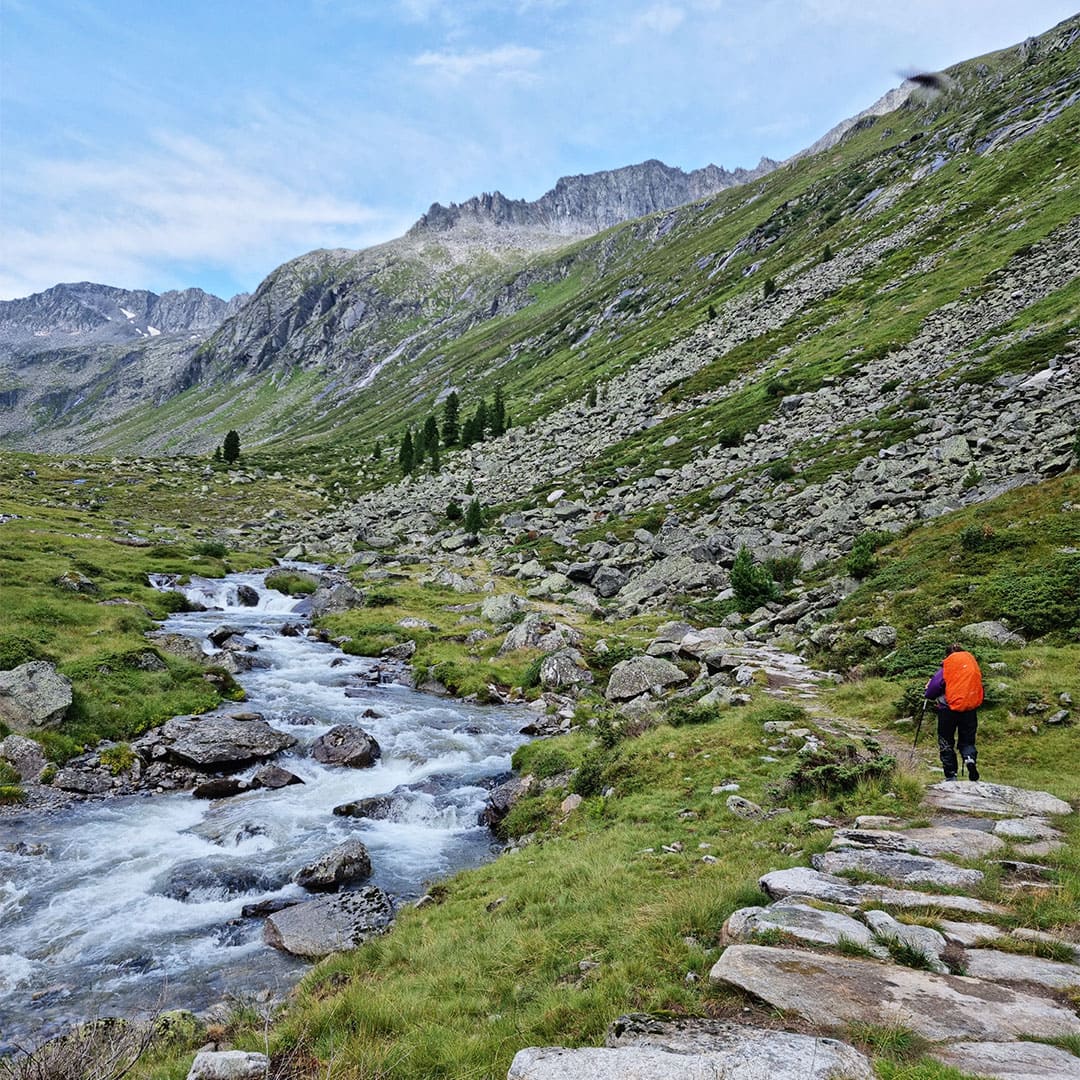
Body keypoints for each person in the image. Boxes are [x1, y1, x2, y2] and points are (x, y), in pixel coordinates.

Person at [925, 644, 984, 781]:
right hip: (969, 710)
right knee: (968, 741)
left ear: (947, 655)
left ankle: (951, 775)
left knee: (946, 741)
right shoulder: (971, 667)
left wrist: (928, 691)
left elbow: (932, 690)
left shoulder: (947, 668)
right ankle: (969, 759)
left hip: (947, 711)